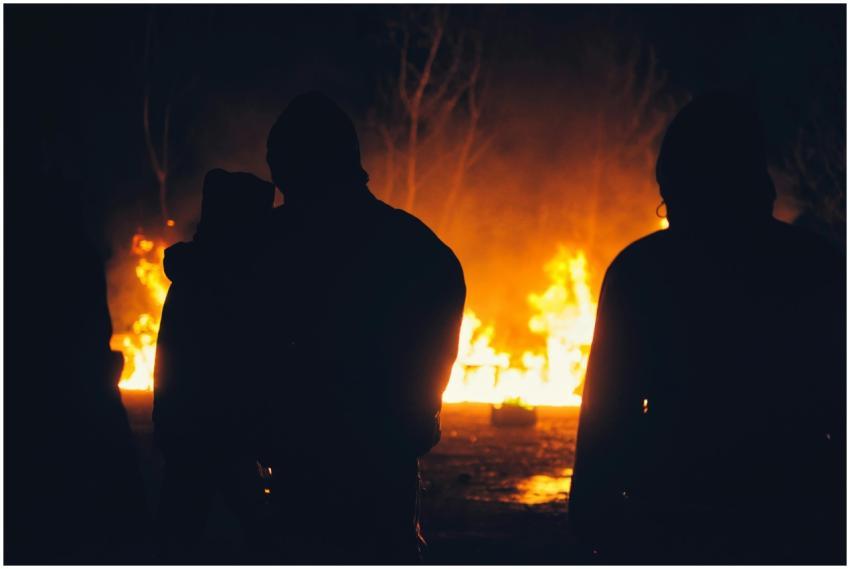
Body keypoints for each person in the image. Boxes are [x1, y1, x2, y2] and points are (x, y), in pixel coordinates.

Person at [569, 93, 845, 564]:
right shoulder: (820, 267)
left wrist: (592, 523)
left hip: (674, 521)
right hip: (798, 521)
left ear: (679, 187)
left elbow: (607, 414)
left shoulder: (642, 272)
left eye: (668, 195)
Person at [252, 92, 466, 563]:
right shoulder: (422, 252)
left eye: (283, 170)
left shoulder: (272, 252)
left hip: (305, 478)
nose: (278, 185)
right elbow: (427, 383)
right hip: (384, 475)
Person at [153, 169, 275, 562]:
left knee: (180, 530)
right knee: (263, 532)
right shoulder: (229, 283)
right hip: (221, 430)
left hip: (188, 428)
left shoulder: (193, 276)